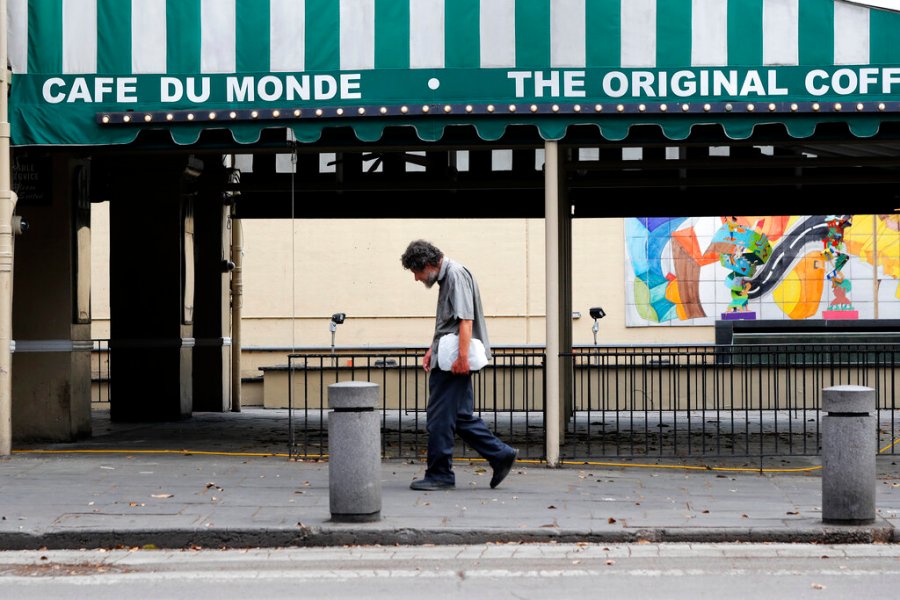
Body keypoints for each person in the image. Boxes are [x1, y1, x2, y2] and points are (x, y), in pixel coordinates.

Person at [400, 240, 518, 491]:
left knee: (439, 417)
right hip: (450, 356)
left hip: (453, 362)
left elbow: (466, 321)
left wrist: (462, 358)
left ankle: (440, 474)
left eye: (416, 272)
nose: (416, 278)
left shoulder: (454, 275)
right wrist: (433, 349)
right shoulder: (450, 276)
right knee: (461, 417)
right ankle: (500, 455)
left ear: (428, 265)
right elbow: (451, 323)